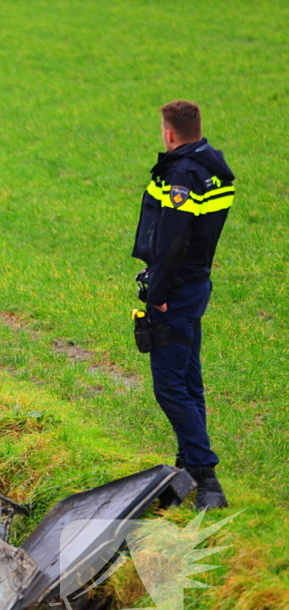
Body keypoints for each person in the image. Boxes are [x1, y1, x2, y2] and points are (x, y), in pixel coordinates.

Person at [131, 100, 235, 510]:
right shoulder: (211, 168)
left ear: (169, 133)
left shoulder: (183, 176)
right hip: (195, 285)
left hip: (174, 292)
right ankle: (186, 473)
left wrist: (157, 294)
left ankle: (206, 478)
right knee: (188, 380)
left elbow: (173, 240)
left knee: (171, 387)